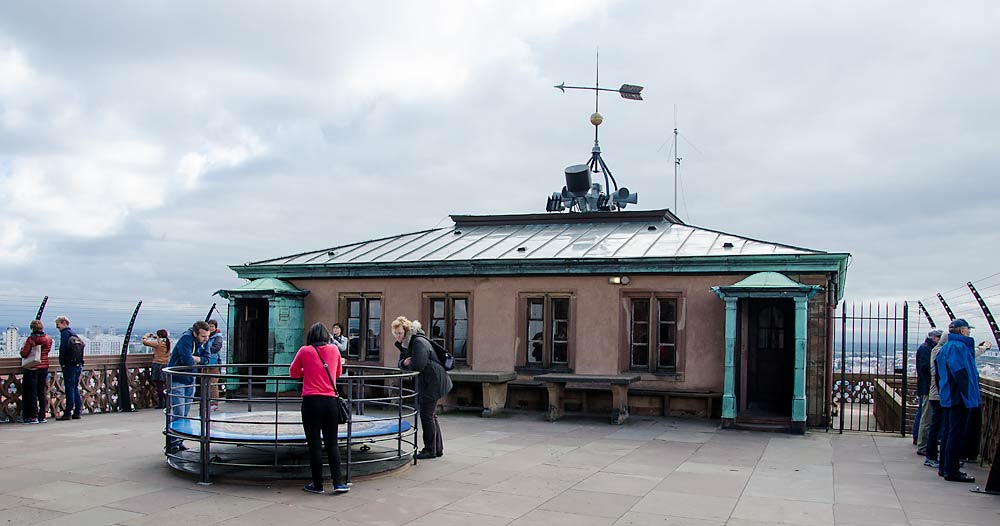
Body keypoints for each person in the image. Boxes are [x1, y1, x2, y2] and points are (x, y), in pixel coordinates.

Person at [289, 322, 348, 494]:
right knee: (332, 444)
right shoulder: (334, 350)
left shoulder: (304, 351)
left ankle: (317, 484)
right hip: (330, 401)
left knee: (314, 444)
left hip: (311, 402)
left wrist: (306, 371)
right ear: (326, 336)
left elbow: (293, 373)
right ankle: (338, 482)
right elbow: (337, 373)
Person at [393, 316, 452, 459]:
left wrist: (406, 364)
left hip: (432, 381)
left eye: (400, 333)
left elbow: (418, 365)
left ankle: (430, 449)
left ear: (406, 331)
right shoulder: (410, 343)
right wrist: (404, 363)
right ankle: (437, 449)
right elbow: (402, 362)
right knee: (431, 415)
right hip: (432, 380)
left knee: (426, 416)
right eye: (396, 334)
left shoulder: (418, 342)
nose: (398, 336)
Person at [934, 318, 980, 482]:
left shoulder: (945, 348)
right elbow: (962, 375)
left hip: (948, 396)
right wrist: (970, 398)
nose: (969, 332)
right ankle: (952, 470)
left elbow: (939, 375)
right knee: (956, 433)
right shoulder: (959, 347)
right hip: (958, 397)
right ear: (962, 331)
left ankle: (945, 467)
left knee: (947, 432)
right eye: (968, 329)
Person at [166, 321, 209, 453]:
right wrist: (197, 359)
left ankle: (178, 442)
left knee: (184, 413)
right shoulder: (186, 338)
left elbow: (207, 358)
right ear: (195, 333)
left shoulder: (203, 340)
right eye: (203, 337)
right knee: (179, 412)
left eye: (207, 336)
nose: (205, 339)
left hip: (190, 379)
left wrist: (196, 359)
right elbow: (186, 360)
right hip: (178, 379)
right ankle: (172, 444)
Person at [20, 320, 53, 424]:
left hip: (32, 368)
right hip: (44, 367)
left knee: (31, 393)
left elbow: (24, 354)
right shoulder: (48, 339)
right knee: (41, 392)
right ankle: (42, 416)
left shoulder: (31, 339)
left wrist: (21, 350)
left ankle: (32, 416)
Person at [914, 329, 942, 453]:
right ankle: (922, 444)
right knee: (926, 416)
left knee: (923, 413)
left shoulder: (925, 347)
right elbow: (926, 368)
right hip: (927, 387)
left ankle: (919, 439)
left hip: (925, 386)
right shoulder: (927, 349)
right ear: (935, 338)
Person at [923, 332, 947, 469]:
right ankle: (932, 456)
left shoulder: (934, 351)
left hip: (935, 394)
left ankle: (935, 457)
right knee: (938, 427)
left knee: (936, 426)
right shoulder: (940, 352)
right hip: (939, 395)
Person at [54, 316, 84, 420]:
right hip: (77, 364)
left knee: (69, 388)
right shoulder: (73, 333)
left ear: (64, 323)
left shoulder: (65, 334)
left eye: (58, 324)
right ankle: (78, 411)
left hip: (68, 365)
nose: (57, 327)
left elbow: (63, 349)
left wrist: (62, 363)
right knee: (75, 387)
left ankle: (68, 412)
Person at [142, 330, 171, 409]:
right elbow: (160, 338)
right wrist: (155, 336)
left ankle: (162, 402)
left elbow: (144, 342)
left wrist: (146, 335)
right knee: (166, 385)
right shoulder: (168, 342)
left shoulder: (158, 344)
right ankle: (168, 401)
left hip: (158, 365)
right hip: (166, 365)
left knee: (159, 385)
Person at [206, 320, 225, 412]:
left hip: (214, 362)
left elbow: (216, 348)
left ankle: (214, 403)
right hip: (205, 363)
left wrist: (205, 347)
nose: (210, 328)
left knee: (213, 384)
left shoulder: (218, 337)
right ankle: (207, 401)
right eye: (209, 326)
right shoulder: (206, 336)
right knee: (205, 383)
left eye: (212, 326)